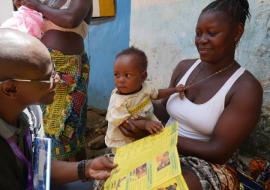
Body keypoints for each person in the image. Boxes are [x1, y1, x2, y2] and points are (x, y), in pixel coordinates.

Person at [119, 0, 263, 189]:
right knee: (112, 173)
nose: (202, 40)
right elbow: (165, 112)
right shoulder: (185, 67)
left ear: (237, 32)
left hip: (210, 165)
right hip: (163, 149)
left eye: (212, 33)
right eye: (198, 33)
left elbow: (218, 152)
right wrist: (134, 104)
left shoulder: (245, 88)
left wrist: (158, 137)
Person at [0, 29, 115, 190]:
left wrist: (86, 168)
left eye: (55, 70)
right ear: (10, 89)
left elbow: (40, 167)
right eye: (47, 77)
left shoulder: (32, 112)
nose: (58, 79)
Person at [19, 0, 93, 161]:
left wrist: (37, 6)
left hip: (67, 70)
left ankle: (80, 175)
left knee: (67, 126)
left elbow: (70, 19)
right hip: (40, 72)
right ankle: (48, 176)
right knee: (41, 126)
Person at [105, 47, 185, 151]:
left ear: (143, 77)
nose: (120, 80)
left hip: (146, 130)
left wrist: (175, 90)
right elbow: (127, 124)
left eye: (127, 75)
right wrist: (146, 124)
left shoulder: (145, 88)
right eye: (117, 75)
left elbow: (158, 94)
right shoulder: (117, 103)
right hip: (124, 141)